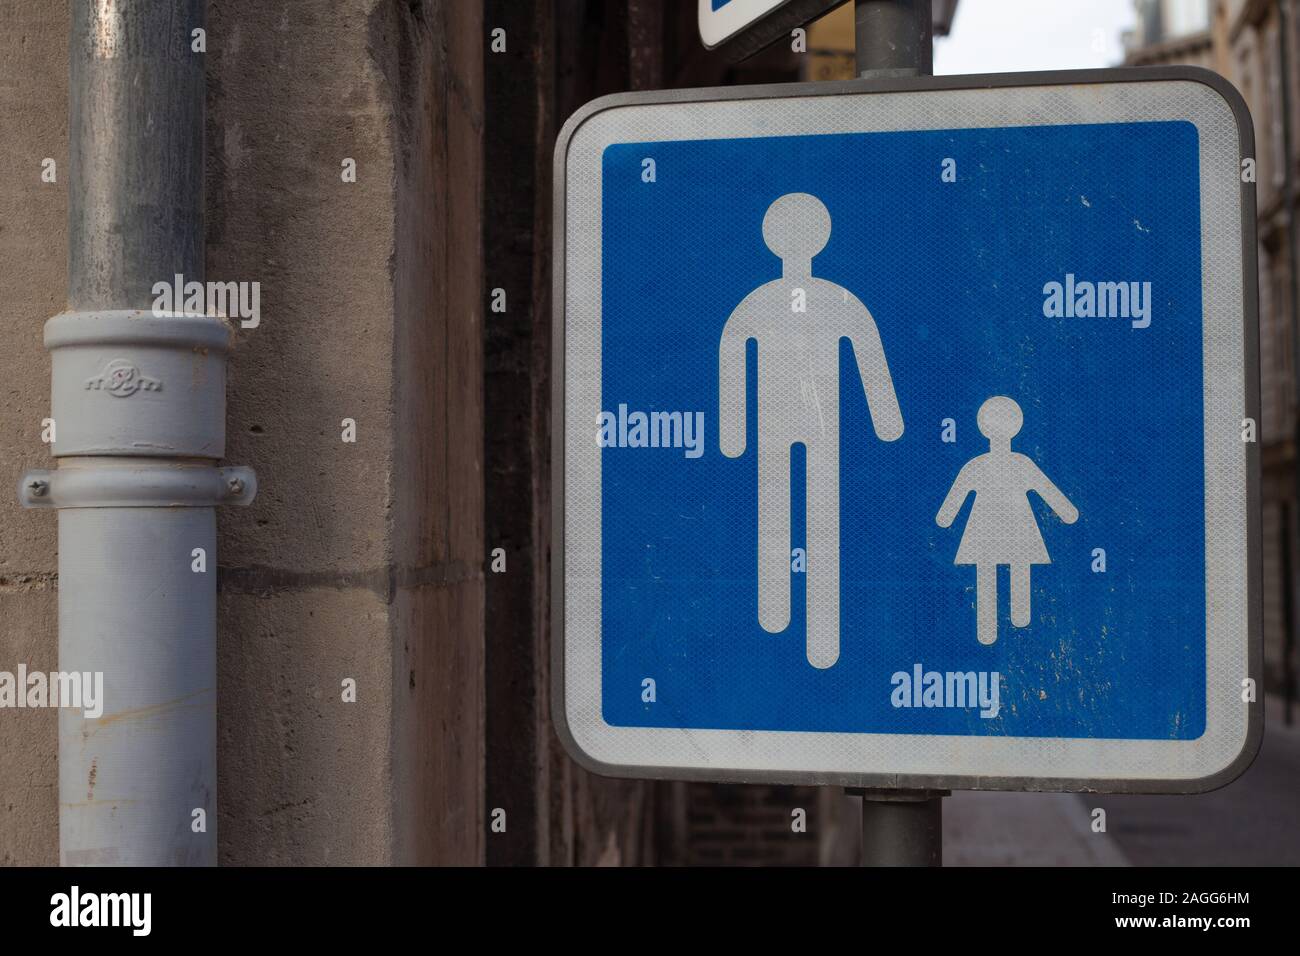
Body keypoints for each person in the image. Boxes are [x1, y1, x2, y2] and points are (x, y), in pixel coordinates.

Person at [719, 192, 903, 669]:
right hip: (816, 426)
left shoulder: (761, 301)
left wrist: (733, 433)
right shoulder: (835, 298)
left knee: (780, 510)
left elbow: (732, 354)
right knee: (815, 515)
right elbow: (868, 354)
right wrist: (887, 422)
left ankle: (779, 610)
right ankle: (808, 627)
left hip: (787, 424)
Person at [935, 396, 1078, 646]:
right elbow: (1054, 497)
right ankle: (1018, 620)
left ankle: (990, 631)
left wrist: (945, 520)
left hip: (986, 532)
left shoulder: (976, 465)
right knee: (1015, 568)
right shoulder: (1020, 463)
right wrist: (1068, 513)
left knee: (987, 573)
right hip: (1017, 529)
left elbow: (947, 512)